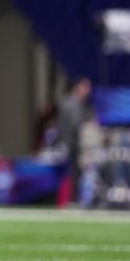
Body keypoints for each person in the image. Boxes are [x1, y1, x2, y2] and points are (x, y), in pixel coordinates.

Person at [56, 77, 93, 205]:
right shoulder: (73, 104)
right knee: (74, 173)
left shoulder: (70, 103)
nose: (88, 90)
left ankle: (73, 199)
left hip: (69, 143)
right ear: (78, 87)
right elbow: (76, 125)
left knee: (75, 173)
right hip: (73, 144)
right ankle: (71, 200)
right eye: (85, 87)